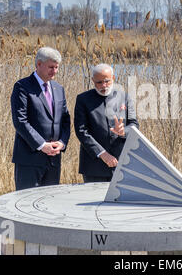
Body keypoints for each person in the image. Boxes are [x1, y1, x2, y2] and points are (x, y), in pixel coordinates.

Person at [10, 47, 71, 190]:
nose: (55, 71)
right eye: (51, 67)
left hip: (54, 160)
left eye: (57, 67)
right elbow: (20, 121)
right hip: (29, 159)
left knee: (49, 204)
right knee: (26, 204)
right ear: (38, 64)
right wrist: (42, 145)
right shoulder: (22, 87)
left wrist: (62, 142)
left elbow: (66, 120)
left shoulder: (58, 88)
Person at [74, 63, 139, 183]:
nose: (103, 86)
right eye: (99, 82)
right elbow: (81, 131)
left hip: (122, 163)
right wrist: (103, 154)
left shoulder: (124, 97)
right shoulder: (83, 99)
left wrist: (124, 131)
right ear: (93, 80)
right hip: (94, 166)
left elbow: (134, 124)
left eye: (107, 81)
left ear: (113, 78)